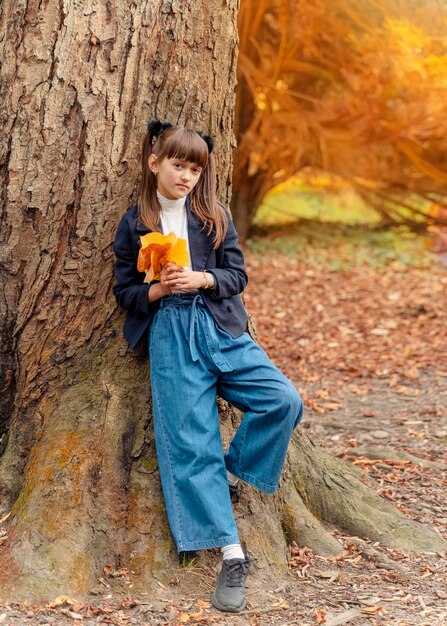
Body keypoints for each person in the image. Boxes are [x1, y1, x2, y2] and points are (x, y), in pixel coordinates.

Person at [112, 119, 304, 613]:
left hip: (220, 325)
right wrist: (154, 289)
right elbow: (124, 291)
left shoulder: (214, 215)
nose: (186, 177)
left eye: (195, 169)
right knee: (190, 441)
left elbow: (237, 274)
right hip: (171, 335)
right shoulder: (135, 222)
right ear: (155, 163)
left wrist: (201, 278)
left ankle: (235, 472)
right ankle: (231, 554)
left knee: (282, 400)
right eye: (178, 165)